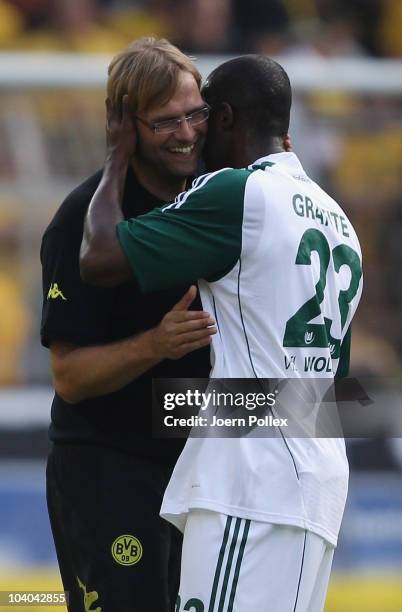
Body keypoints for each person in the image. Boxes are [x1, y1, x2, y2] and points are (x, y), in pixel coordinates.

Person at [80, 55, 363, 611]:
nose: (196, 133)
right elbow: (324, 395)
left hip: (255, 487)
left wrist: (115, 159)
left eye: (206, 116)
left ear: (226, 118)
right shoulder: (341, 223)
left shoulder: (240, 193)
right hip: (315, 484)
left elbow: (99, 257)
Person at [40, 37, 215, 612]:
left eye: (195, 114)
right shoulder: (80, 222)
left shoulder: (225, 196)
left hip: (202, 463)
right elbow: (68, 376)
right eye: (166, 122)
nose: (187, 133)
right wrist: (154, 345)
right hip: (109, 466)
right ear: (124, 126)